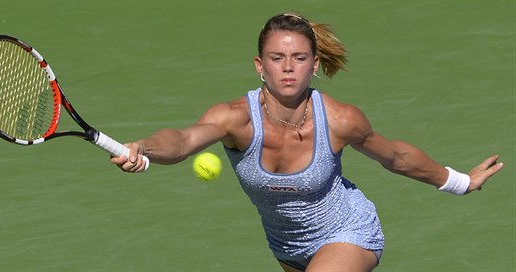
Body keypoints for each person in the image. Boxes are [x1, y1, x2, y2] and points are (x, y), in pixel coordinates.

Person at [110, 13, 504, 272]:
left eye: (299, 58)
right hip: (286, 246)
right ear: (259, 66)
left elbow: (396, 156)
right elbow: (181, 141)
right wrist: (144, 147)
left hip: (347, 232)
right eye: (277, 58)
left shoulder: (339, 119)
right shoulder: (236, 118)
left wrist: (460, 182)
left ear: (314, 65)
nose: (287, 67)